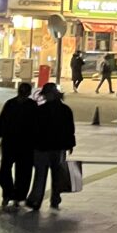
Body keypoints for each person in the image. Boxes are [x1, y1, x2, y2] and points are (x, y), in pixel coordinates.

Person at [27, 82, 76, 210]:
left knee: (41, 175)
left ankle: (37, 199)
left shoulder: (41, 110)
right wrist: (70, 144)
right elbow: (69, 129)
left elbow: (34, 129)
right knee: (56, 174)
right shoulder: (65, 110)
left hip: (43, 147)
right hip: (57, 147)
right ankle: (54, 198)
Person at [0, 80, 36, 208]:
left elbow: (0, 122)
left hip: (14, 143)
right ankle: (15, 194)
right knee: (21, 172)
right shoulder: (30, 106)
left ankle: (11, 194)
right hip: (21, 144)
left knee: (13, 170)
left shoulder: (12, 104)